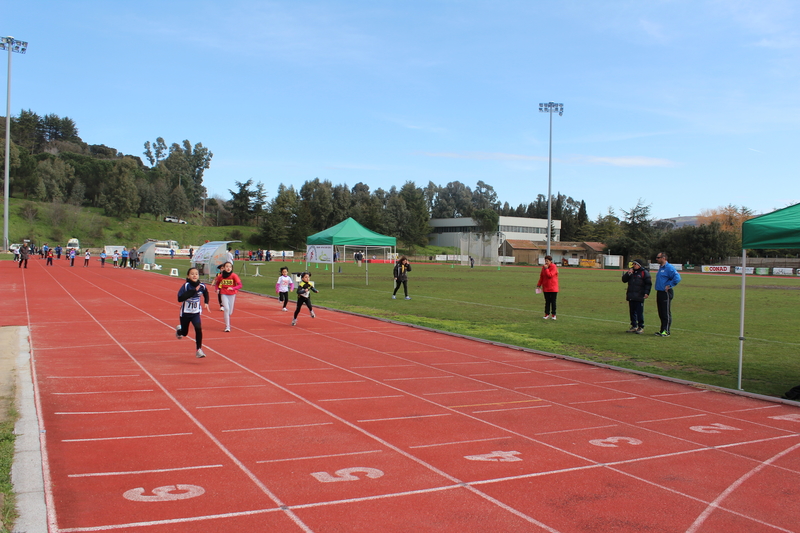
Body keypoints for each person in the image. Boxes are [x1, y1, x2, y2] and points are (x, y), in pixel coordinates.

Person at [176, 267, 210, 358]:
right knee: (184, 333)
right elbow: (180, 298)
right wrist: (194, 291)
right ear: (188, 276)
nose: (194, 275)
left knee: (198, 328)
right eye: (192, 274)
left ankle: (198, 350)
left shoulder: (202, 286)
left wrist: (206, 302)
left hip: (195, 313)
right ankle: (179, 331)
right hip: (185, 313)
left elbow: (206, 292)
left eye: (196, 273)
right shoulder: (186, 286)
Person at [654, 252, 681, 337]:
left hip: (666, 293)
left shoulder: (669, 268)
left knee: (666, 312)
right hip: (659, 292)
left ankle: (666, 331)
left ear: (664, 258)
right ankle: (662, 330)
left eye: (658, 257)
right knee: (661, 312)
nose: (657, 259)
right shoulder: (661, 267)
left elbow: (677, 278)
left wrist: (669, 285)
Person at [621, 259, 651, 334]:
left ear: (639, 265)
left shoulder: (644, 273)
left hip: (639, 295)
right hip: (631, 295)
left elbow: (648, 283)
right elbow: (624, 280)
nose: (633, 265)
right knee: (632, 311)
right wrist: (628, 274)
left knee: (639, 312)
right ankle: (634, 326)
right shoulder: (631, 272)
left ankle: (641, 327)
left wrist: (646, 293)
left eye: (635, 264)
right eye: (633, 264)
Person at [213, 261, 242, 332]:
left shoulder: (234, 275)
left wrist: (233, 288)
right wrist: (217, 289)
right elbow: (217, 283)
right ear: (224, 268)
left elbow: (240, 285)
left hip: (232, 294)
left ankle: (227, 316)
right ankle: (227, 327)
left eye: (230, 267)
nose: (228, 268)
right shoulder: (221, 276)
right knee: (226, 309)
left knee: (230, 311)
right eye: (227, 266)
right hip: (224, 293)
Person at [537, 255, 559, 320]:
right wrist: (539, 285)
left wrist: (546, 269)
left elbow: (550, 275)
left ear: (550, 261)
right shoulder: (543, 267)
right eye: (545, 261)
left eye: (547, 261)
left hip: (553, 288)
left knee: (553, 301)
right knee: (547, 301)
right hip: (546, 287)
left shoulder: (553, 267)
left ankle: (553, 315)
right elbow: (542, 277)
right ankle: (546, 314)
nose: (546, 262)